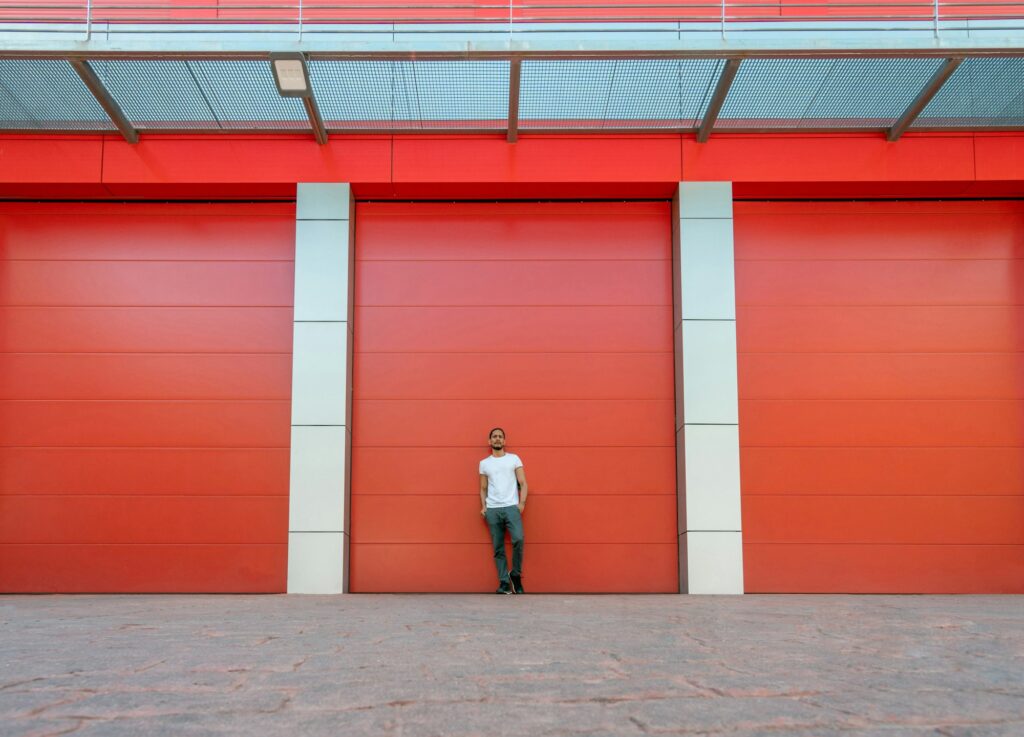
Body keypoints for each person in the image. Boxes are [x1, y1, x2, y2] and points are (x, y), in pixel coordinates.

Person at [479, 427, 528, 594]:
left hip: (511, 507)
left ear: (504, 441)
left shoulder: (513, 459)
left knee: (518, 540)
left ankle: (515, 574)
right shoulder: (484, 463)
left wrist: (521, 503)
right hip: (493, 509)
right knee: (498, 547)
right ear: (490, 441)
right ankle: (504, 583)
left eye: (500, 436)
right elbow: (483, 488)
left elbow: (523, 483)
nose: (497, 439)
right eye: (494, 437)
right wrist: (484, 507)